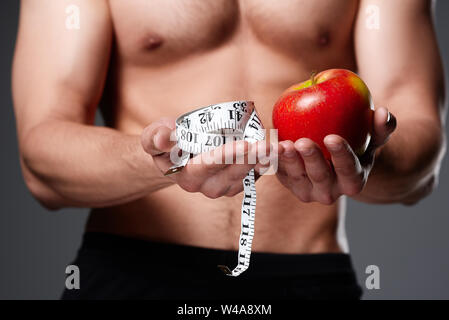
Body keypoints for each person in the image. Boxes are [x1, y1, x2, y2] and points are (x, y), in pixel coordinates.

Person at [12, 0, 445, 300]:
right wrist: (163, 160)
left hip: (307, 279)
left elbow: (418, 149)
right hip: (130, 273)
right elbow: (42, 156)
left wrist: (361, 163)